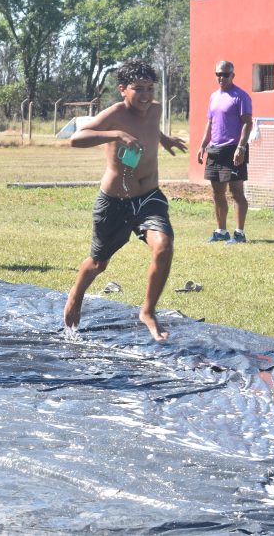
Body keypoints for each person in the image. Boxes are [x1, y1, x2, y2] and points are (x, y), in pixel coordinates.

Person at [61, 60, 188, 342]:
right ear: (122, 90)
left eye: (150, 89)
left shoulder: (155, 109)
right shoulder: (115, 114)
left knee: (164, 246)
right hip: (115, 201)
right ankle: (76, 294)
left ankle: (148, 311)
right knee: (98, 264)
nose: (145, 95)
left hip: (149, 197)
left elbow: (151, 129)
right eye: (138, 89)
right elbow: (76, 139)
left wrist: (164, 140)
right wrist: (116, 133)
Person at [197, 60, 252, 244]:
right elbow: (210, 122)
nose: (221, 77)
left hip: (234, 149)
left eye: (225, 74)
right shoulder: (213, 97)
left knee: (236, 192)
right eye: (218, 74)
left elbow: (247, 122)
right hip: (215, 149)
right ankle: (221, 231)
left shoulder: (240, 96)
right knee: (217, 193)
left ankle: (239, 233)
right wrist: (203, 145)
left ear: (232, 75)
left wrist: (241, 147)